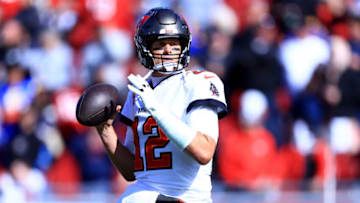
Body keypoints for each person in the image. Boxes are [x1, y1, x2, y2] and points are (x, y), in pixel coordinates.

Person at [95, 7, 227, 203]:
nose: (168, 50)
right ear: (145, 48)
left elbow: (204, 151)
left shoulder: (199, 82)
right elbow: (132, 170)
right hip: (147, 194)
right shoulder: (139, 91)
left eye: (175, 43)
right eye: (160, 44)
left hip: (186, 198)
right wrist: (105, 131)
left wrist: (156, 109)